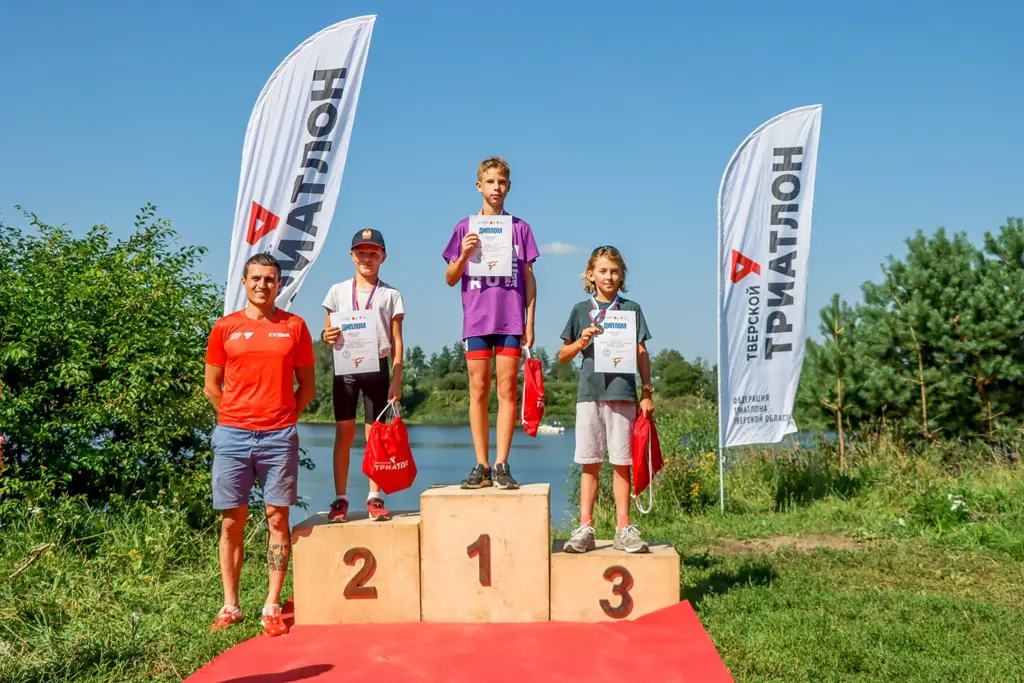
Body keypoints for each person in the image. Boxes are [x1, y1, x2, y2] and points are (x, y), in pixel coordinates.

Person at [203, 253, 316, 636]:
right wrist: (236, 418)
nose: (262, 285)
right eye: (255, 278)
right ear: (244, 282)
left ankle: (271, 606)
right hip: (232, 436)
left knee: (278, 519)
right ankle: (230, 605)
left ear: (279, 284)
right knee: (231, 521)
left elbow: (308, 387)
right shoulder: (225, 328)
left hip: (279, 437)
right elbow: (212, 387)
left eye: (269, 279)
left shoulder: (295, 327)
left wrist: (282, 417)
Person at [443, 156, 539, 490]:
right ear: (479, 186)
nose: (496, 188)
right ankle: (481, 465)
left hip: (511, 320)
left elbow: (529, 278)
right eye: (490, 182)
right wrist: (463, 255)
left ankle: (502, 465)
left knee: (507, 389)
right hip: (477, 320)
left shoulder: (520, 228)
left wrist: (529, 322)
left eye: (501, 182)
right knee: (479, 389)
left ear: (509, 187)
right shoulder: (464, 227)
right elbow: (450, 278)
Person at [557, 246, 655, 553]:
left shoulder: (631, 309)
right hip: (589, 395)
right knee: (590, 462)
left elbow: (641, 351)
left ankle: (623, 528)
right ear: (590, 275)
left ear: (622, 276)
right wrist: (581, 341)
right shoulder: (579, 310)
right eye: (602, 271)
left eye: (614, 271)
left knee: (622, 463)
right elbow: (562, 355)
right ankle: (585, 528)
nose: (608, 277)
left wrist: (646, 392)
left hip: (623, 394)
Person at [320, 228, 405, 523]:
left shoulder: (391, 294)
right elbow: (327, 330)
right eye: (361, 253)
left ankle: (374, 496)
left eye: (373, 253)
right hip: (345, 368)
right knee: (343, 434)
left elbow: (397, 339)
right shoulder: (337, 291)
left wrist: (397, 377)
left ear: (383, 257)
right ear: (351, 256)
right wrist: (326, 335)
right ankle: (340, 498)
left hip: (377, 367)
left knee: (375, 437)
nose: (367, 258)